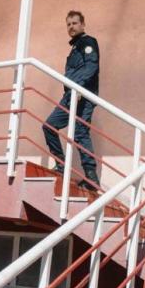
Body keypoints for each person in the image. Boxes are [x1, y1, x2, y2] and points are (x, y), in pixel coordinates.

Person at [43, 10, 100, 190]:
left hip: (83, 95)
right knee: (49, 126)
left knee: (80, 133)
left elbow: (91, 66)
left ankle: (91, 178)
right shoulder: (75, 48)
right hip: (70, 96)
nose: (71, 27)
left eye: (75, 23)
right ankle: (61, 165)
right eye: (68, 24)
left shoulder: (88, 42)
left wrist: (79, 87)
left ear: (83, 25)